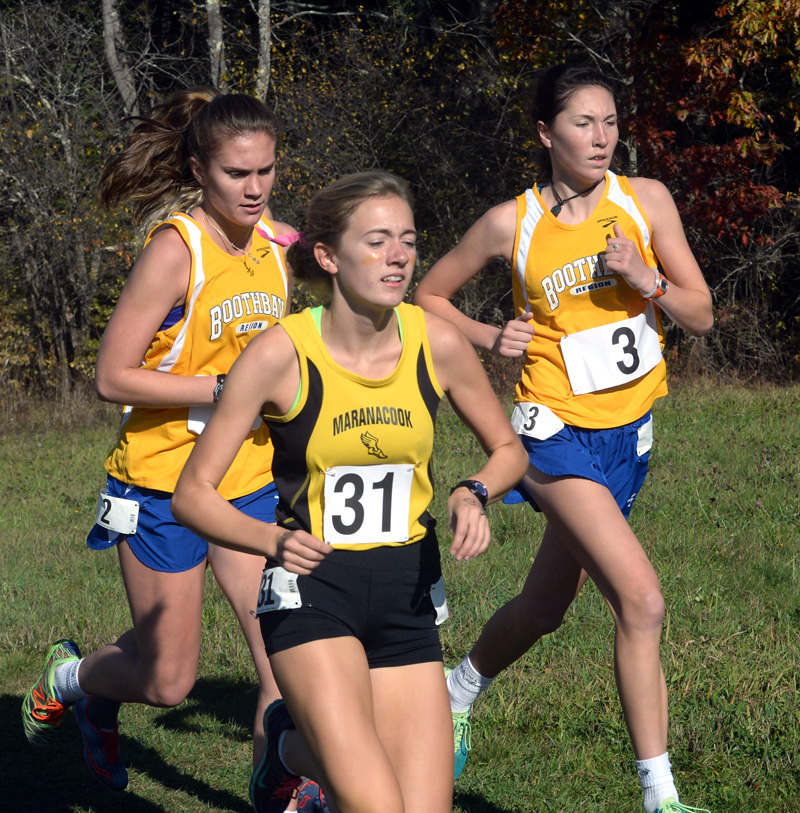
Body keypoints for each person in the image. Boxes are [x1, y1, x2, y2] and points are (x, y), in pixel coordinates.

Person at [171, 170, 529, 813]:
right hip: (312, 597)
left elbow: (509, 450)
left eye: (409, 241)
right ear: (330, 257)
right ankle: (292, 745)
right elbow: (192, 494)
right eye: (377, 242)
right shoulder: (280, 354)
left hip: (408, 598)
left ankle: (289, 749)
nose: (398, 256)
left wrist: (473, 491)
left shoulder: (437, 341)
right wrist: (271, 539)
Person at [413, 64, 714, 813]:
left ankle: (457, 692)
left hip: (628, 440)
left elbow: (702, 314)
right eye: (583, 123)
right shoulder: (509, 223)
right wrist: (491, 334)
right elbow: (426, 294)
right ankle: (660, 796)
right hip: (551, 434)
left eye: (610, 121)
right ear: (546, 133)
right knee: (641, 601)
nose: (602, 136)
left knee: (546, 606)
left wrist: (646, 280)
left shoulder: (645, 202)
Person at [21, 88, 296, 810]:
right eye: (239, 174)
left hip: (247, 480)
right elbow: (111, 375)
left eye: (267, 170)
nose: (256, 187)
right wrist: (224, 388)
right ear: (201, 169)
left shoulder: (275, 240)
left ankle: (280, 793)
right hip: (161, 488)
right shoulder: (176, 250)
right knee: (169, 679)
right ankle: (74, 683)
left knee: (284, 659)